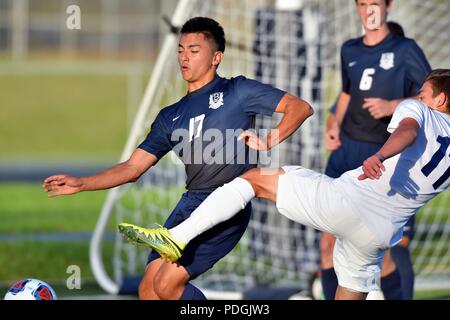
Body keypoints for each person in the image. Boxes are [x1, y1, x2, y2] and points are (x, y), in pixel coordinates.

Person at [42, 17, 313, 300]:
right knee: (148, 288)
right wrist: (82, 183)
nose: (184, 57)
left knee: (167, 285)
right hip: (190, 203)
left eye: (194, 51)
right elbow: (133, 167)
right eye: (181, 49)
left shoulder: (238, 91)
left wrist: (269, 140)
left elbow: (299, 107)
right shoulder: (169, 116)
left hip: (227, 205)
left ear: (216, 57)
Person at [120, 69, 450, 300]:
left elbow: (407, 132)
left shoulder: (416, 110)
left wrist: (380, 154)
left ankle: (176, 237)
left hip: (348, 201)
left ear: (439, 99)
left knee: (254, 180)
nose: (417, 97)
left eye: (424, 93)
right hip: (380, 235)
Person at [322, 0, 431, 299]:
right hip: (343, 152)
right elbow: (345, 95)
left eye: (374, 3)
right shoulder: (349, 49)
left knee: (381, 246)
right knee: (327, 243)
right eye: (362, 4)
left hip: (379, 155)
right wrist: (332, 125)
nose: (368, 10)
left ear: (387, 6)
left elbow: (431, 99)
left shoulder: (405, 49)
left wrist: (392, 106)